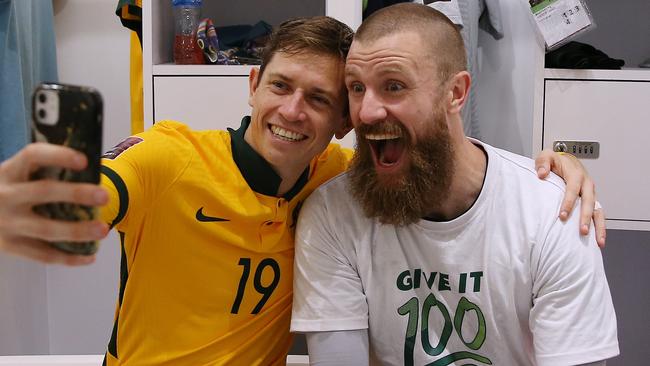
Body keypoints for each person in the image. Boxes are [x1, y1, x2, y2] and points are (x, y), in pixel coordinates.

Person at [0, 15, 601, 366]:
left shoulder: (343, 178)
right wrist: (38, 204)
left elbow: (451, 164)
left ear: (342, 121)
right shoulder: (170, 156)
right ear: (253, 83)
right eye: (281, 86)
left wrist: (551, 171)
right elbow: (94, 197)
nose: (292, 111)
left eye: (320, 99)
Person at [290, 4, 618, 366]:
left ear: (456, 93)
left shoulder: (554, 213)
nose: (366, 112)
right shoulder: (332, 214)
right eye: (355, 87)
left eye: (394, 86)